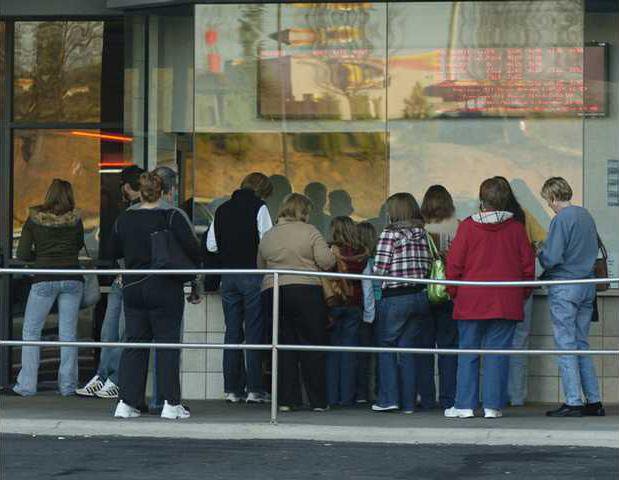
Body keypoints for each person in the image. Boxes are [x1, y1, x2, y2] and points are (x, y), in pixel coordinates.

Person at [112, 172, 201, 419]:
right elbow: (194, 250)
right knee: (167, 345)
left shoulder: (125, 218)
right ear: (164, 192)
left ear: (140, 192)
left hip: (133, 287)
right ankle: (170, 403)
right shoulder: (172, 215)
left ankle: (126, 403)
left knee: (134, 344)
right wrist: (195, 280)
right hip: (165, 286)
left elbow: (113, 250)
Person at [445, 178, 535, 419]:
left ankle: (464, 405)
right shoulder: (516, 229)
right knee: (498, 354)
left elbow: (454, 264)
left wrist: (454, 293)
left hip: (471, 299)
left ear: (482, 200)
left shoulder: (467, 227)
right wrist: (521, 294)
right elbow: (528, 268)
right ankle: (492, 406)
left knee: (468, 352)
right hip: (506, 300)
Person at [258, 193, 336, 412]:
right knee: (312, 345)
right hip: (306, 291)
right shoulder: (310, 231)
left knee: (282, 346)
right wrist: (332, 252)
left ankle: (286, 400)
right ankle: (318, 401)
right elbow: (326, 262)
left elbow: (260, 266)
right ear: (304, 211)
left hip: (273, 291)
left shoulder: (269, 234)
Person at [538, 177, 605, 417]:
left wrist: (540, 251)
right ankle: (594, 400)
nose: (549, 205)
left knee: (565, 343)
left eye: (548, 200)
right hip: (587, 285)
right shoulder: (585, 215)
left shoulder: (561, 219)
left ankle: (573, 401)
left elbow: (552, 258)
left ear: (553, 197)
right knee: (581, 343)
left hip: (565, 286)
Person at [13, 179, 85, 397]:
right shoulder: (75, 220)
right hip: (72, 278)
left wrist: (40, 257)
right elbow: (78, 245)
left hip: (44, 277)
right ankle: (67, 386)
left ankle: (27, 386)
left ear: (49, 194)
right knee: (68, 334)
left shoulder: (35, 219)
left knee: (31, 331)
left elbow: (22, 254)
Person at [77, 166, 144, 399]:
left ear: (127, 186)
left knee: (122, 332)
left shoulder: (140, 213)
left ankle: (115, 379)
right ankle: (102, 375)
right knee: (109, 331)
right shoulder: (127, 211)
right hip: (121, 278)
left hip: (131, 279)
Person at [206, 172, 273, 404]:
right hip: (252, 275)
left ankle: (232, 389)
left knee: (232, 332)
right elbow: (268, 243)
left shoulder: (222, 209)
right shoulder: (259, 207)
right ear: (262, 191)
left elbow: (211, 245)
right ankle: (254, 389)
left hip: (228, 277)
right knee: (254, 332)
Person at [371, 193, 432, 414]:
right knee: (408, 350)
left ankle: (388, 399)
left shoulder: (390, 234)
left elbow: (379, 268)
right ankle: (408, 403)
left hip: (395, 298)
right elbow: (428, 264)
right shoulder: (422, 234)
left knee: (386, 347)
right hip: (419, 296)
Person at [493, 176, 547, 407]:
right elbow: (543, 241)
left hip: (493, 288)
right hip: (522, 285)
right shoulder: (523, 216)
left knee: (492, 342)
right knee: (519, 341)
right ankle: (516, 396)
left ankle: (493, 395)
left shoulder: (483, 219)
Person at [416, 185, 459, 410]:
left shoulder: (419, 230)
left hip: (424, 292)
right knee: (448, 349)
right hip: (449, 293)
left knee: (424, 349)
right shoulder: (458, 227)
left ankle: (426, 398)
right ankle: (448, 398)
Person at [326, 216, 368, 407]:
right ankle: (347, 398)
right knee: (350, 353)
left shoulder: (330, 250)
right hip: (355, 303)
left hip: (335, 302)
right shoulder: (361, 253)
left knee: (332, 352)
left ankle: (332, 396)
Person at [357, 221, 380, 403]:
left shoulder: (360, 261)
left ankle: (362, 393)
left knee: (362, 355)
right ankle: (380, 392)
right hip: (383, 305)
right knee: (381, 355)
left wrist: (368, 315)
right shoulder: (379, 258)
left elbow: (366, 289)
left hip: (366, 310)